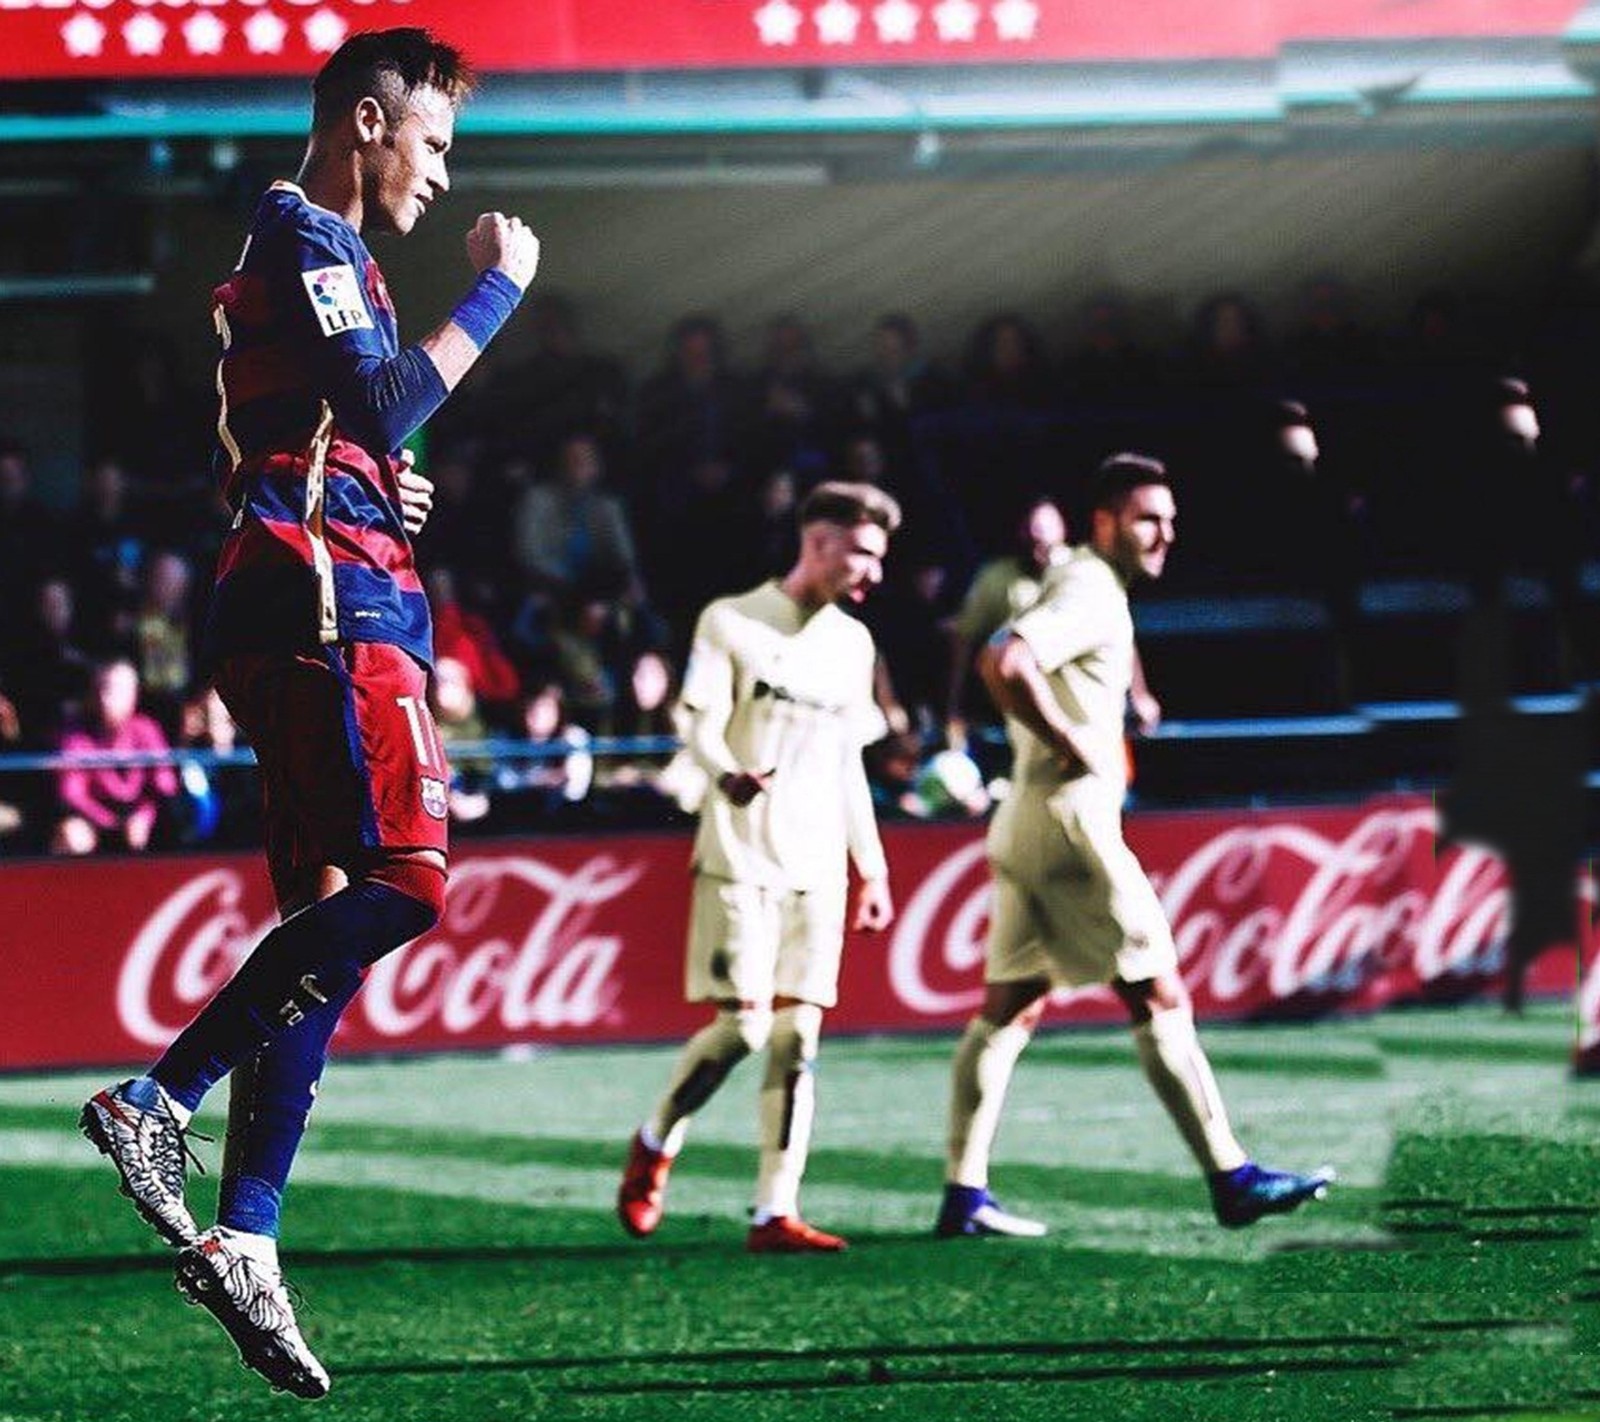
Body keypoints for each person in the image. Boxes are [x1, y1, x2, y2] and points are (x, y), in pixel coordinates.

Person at [78, 28, 539, 1398]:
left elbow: (341, 424)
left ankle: (248, 1233)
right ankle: (160, 1094)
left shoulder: (312, 253)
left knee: (323, 912)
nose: (447, 178)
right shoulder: (310, 233)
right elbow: (385, 396)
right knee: (411, 878)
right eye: (435, 143)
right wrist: (502, 294)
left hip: (293, 579)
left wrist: (372, 479)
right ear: (363, 122)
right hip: (329, 604)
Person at [935, 453, 1333, 1239]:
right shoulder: (1088, 586)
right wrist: (1074, 742)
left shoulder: (1089, 582)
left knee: (1006, 1012)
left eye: (1172, 521)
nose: (1165, 535)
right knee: (1158, 994)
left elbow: (1014, 656)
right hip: (1072, 823)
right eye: (1150, 519)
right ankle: (1233, 1176)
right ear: (1107, 521)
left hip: (1024, 818)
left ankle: (964, 1195)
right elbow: (1003, 657)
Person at [617, 482, 900, 1253]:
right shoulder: (733, 620)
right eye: (864, 552)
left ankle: (775, 1209)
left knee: (798, 1039)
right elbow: (697, 722)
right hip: (741, 854)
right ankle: (657, 1140)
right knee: (743, 1029)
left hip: (819, 866)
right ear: (819, 541)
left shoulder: (853, 644)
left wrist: (870, 870)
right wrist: (727, 771)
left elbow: (848, 769)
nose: (874, 571)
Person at [51, 657, 179, 855]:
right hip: (94, 819)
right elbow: (72, 793)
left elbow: (165, 785)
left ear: (134, 695)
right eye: (102, 688)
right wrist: (110, 822)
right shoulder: (76, 735)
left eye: (116, 690)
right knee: (71, 836)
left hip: (139, 818)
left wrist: (144, 816)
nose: (106, 698)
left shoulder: (147, 730)